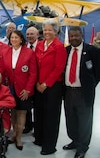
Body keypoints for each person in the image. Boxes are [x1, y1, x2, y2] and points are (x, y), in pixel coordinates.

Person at [63, 26, 100, 158]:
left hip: (84, 93)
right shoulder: (66, 50)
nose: (73, 38)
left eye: (76, 35)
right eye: (71, 36)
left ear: (81, 36)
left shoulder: (92, 51)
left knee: (85, 121)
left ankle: (83, 147)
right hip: (68, 92)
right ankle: (75, 140)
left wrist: (89, 85)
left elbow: (98, 72)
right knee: (71, 118)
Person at [0, 30, 37, 150]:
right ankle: (14, 134)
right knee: (13, 113)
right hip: (9, 88)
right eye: (12, 37)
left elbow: (33, 74)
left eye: (16, 37)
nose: (13, 39)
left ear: (21, 39)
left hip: (23, 89)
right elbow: (1, 70)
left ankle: (19, 137)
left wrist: (28, 89)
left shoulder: (29, 53)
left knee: (21, 113)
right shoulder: (5, 52)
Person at [34, 19, 67, 155]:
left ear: (55, 31)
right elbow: (35, 65)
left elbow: (59, 68)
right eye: (45, 29)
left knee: (51, 116)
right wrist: (37, 83)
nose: (47, 32)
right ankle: (40, 139)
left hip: (52, 86)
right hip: (38, 85)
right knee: (39, 113)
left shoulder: (59, 47)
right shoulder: (40, 44)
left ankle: (49, 145)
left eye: (50, 30)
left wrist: (45, 84)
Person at [23, 26, 39, 134]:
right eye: (28, 34)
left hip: (39, 82)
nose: (29, 36)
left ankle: (38, 127)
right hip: (26, 81)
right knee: (26, 106)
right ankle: (28, 125)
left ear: (37, 35)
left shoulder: (42, 46)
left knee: (38, 107)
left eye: (32, 34)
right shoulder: (24, 46)